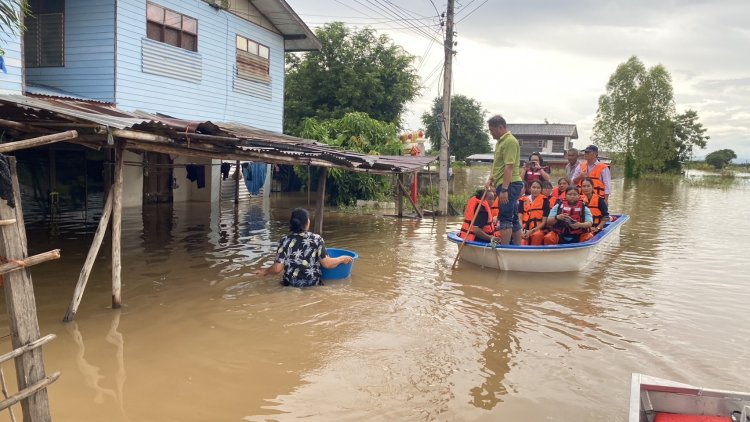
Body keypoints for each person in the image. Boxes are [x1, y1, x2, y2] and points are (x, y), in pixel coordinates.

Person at [255, 208, 352, 287]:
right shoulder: (317, 239)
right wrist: (342, 258)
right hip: (312, 285)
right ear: (307, 222)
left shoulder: (285, 241)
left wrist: (265, 271)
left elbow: (277, 269)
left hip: (290, 285)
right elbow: (327, 264)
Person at [485, 115, 524, 245]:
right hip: (503, 183)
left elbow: (509, 166)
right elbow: (498, 164)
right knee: (513, 219)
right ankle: (517, 247)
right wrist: (491, 178)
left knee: (505, 217)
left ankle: (504, 248)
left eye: (492, 130)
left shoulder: (510, 141)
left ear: (500, 127)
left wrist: (505, 190)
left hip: (510, 184)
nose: (491, 133)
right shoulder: (500, 142)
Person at [517, 180, 550, 245]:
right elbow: (519, 218)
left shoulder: (545, 201)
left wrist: (531, 231)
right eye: (533, 187)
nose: (535, 190)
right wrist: (521, 230)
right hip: (523, 228)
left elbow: (544, 222)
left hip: (537, 229)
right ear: (530, 188)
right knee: (520, 237)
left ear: (541, 189)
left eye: (538, 188)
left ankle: (535, 253)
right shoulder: (522, 200)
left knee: (538, 235)